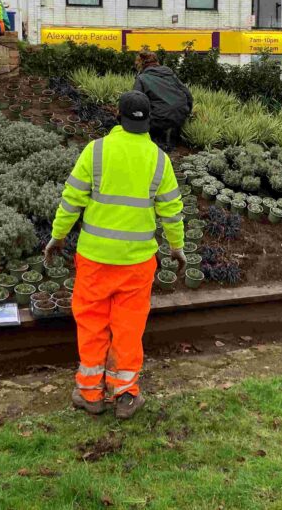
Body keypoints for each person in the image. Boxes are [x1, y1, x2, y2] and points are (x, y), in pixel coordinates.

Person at [45, 90, 185, 420]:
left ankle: (91, 394)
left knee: (92, 325)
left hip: (94, 259)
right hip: (137, 264)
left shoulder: (96, 152)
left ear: (117, 116)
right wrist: (177, 248)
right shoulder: (159, 160)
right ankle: (125, 394)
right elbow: (172, 212)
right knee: (128, 329)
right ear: (148, 121)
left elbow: (71, 200)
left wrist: (57, 237)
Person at [133, 51, 193, 148]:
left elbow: (136, 101)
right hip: (180, 114)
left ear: (140, 63)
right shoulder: (170, 74)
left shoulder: (142, 78)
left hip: (159, 118)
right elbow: (188, 95)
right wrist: (187, 112)